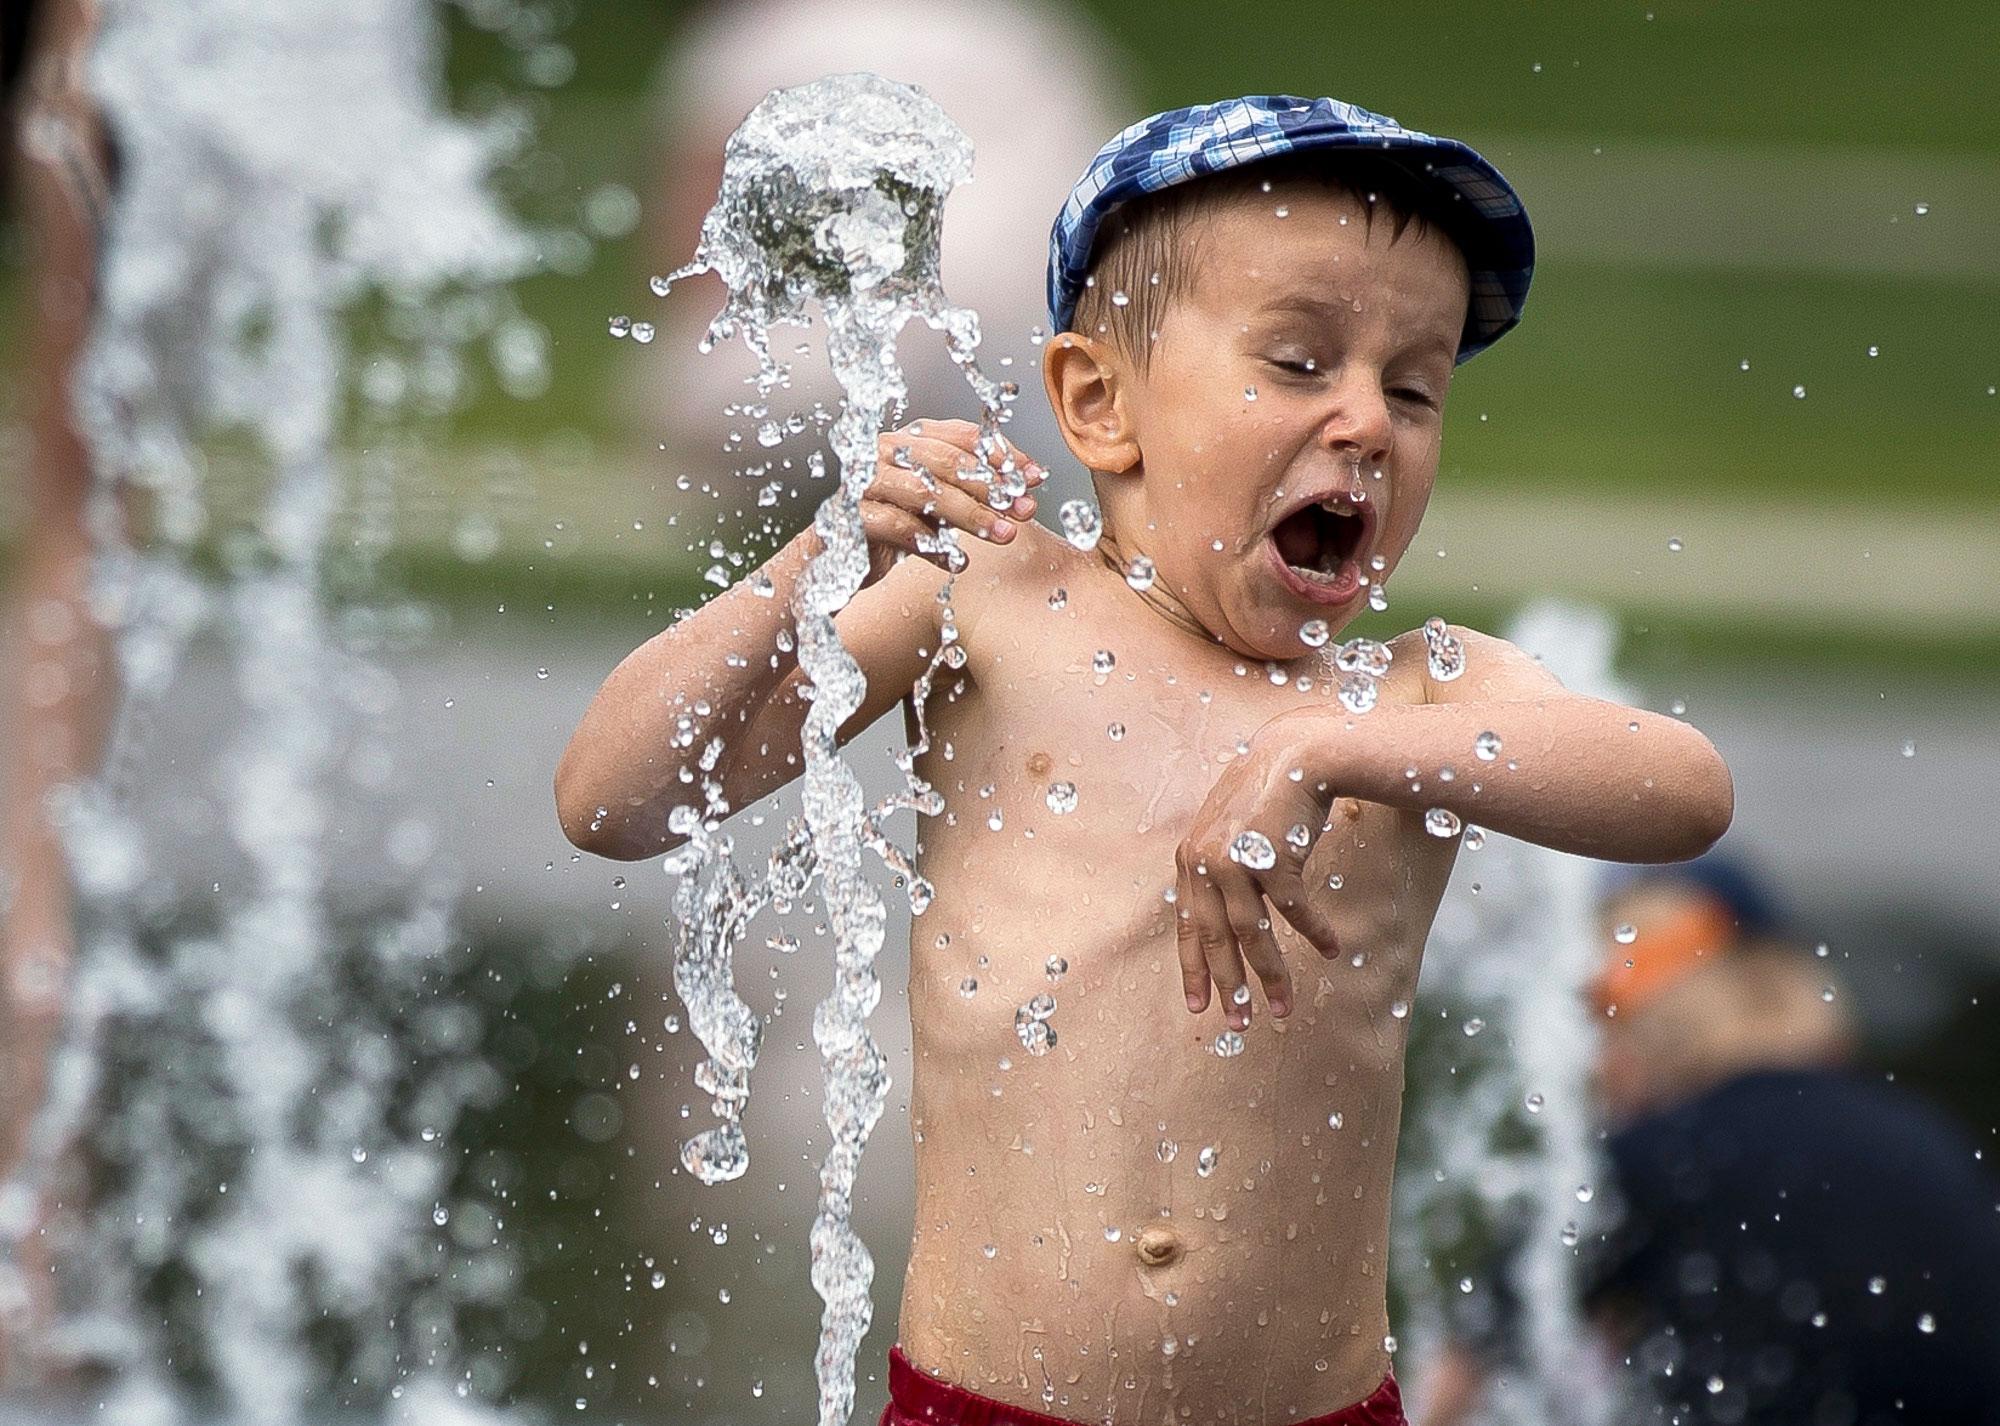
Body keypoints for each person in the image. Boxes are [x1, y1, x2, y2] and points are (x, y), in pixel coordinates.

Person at [556, 95, 1734, 1425]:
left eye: (1414, 388)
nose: (1365, 422)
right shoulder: (989, 606)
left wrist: (1334, 748)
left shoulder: (1410, 694)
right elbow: (615, 797)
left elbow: (1679, 786)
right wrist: (812, 562)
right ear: (1098, 403)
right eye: (1298, 363)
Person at [1421, 854, 2000, 1425]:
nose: (1587, 1052)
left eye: (1598, 1005)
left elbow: (1452, 1385)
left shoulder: (1659, 1158)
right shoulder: (1926, 1135)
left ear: (1656, 1009)